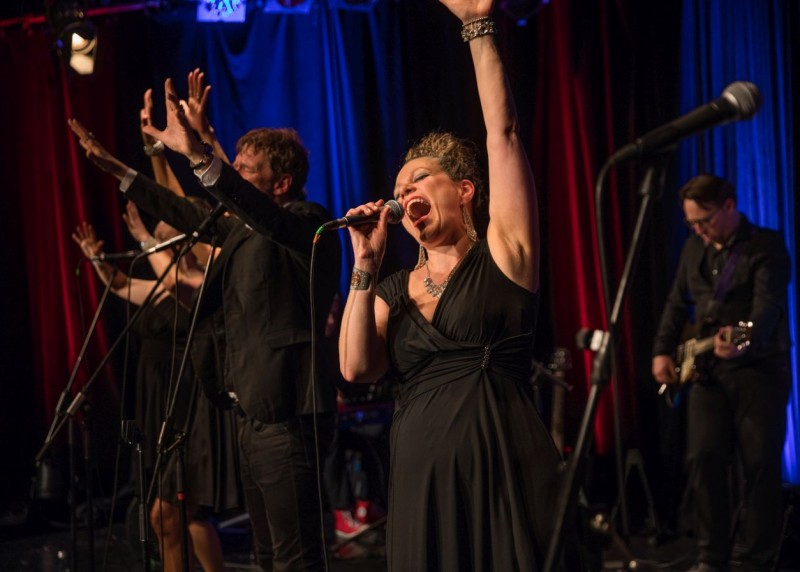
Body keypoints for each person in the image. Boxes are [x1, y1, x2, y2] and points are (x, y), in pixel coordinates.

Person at [68, 86, 342, 570]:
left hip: (288, 417)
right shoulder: (242, 230)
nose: (234, 174)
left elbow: (262, 215)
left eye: (247, 169)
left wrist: (199, 153)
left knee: (297, 557)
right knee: (267, 555)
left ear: (281, 183)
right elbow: (184, 211)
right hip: (249, 417)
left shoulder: (308, 224)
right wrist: (116, 169)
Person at [337, 0, 563, 568]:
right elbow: (355, 368)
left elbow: (502, 134)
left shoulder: (505, 255)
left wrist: (477, 28)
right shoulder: (390, 289)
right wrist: (364, 264)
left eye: (419, 178)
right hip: (423, 481)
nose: (405, 192)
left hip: (506, 463)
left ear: (463, 190)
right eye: (399, 188)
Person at [72, 213, 238, 572]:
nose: (159, 246)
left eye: (167, 240)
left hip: (196, 417)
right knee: (186, 517)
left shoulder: (204, 284)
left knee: (166, 517)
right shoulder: (163, 287)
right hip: (169, 413)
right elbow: (120, 285)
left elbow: (179, 282)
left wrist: (146, 239)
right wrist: (98, 260)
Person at [651, 174, 791, 572]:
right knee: (703, 458)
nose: (698, 230)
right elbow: (676, 303)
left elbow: (767, 307)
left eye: (704, 220)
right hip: (709, 372)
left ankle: (754, 559)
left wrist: (746, 338)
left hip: (758, 371)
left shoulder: (765, 245)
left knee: (759, 465)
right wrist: (661, 351)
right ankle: (710, 556)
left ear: (729, 206)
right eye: (691, 223)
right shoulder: (694, 248)